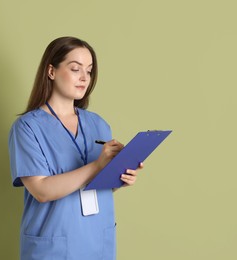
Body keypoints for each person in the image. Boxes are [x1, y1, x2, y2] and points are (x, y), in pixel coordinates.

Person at [8, 36, 143, 260]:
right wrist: (98, 165)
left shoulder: (98, 124)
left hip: (97, 239)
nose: (84, 78)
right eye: (75, 69)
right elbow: (41, 191)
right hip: (53, 245)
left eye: (89, 71)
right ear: (51, 71)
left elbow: (98, 185)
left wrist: (121, 175)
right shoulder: (27, 127)